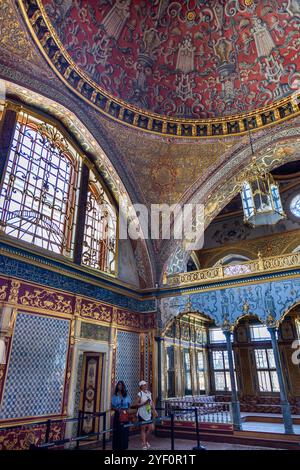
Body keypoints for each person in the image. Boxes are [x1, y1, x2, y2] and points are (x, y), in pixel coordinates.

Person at [136, 380, 158, 450]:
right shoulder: (140, 394)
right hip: (142, 413)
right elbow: (136, 404)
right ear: (141, 386)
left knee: (151, 428)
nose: (146, 386)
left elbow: (152, 402)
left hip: (148, 413)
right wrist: (144, 403)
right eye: (144, 385)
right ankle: (144, 444)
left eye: (146, 385)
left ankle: (145, 440)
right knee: (143, 428)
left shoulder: (149, 393)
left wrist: (154, 410)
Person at [111, 380, 132, 450]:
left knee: (124, 431)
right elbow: (112, 406)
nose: (120, 386)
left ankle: (124, 446)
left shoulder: (126, 395)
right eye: (119, 385)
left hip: (125, 414)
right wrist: (118, 410)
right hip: (118, 414)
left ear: (123, 386)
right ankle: (117, 447)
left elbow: (129, 404)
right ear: (117, 386)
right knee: (118, 431)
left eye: (121, 385)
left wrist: (127, 410)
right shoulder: (115, 395)